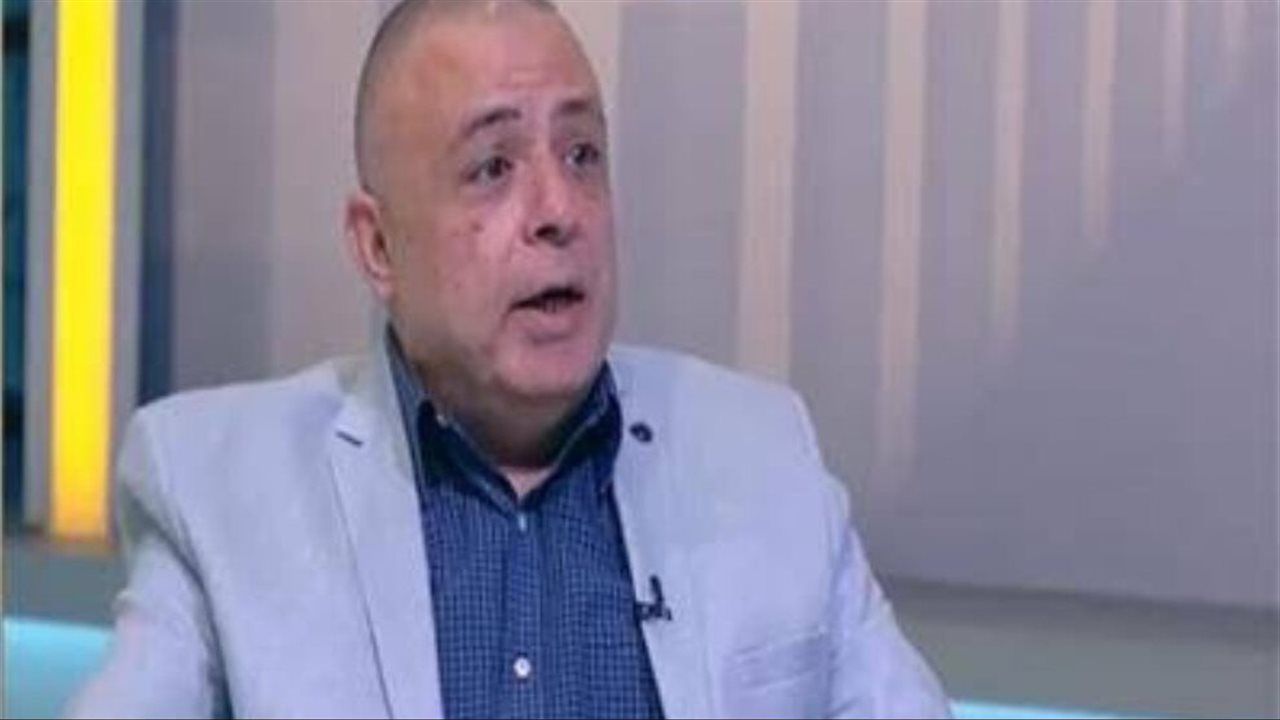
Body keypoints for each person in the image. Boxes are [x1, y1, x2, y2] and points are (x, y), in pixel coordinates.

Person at [71, 1, 949, 717]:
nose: (559, 208)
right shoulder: (218, 488)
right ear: (378, 246)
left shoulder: (764, 453)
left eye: (582, 154)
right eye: (493, 166)